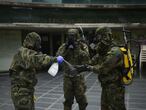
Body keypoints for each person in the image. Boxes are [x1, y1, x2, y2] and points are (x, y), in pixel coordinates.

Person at [9, 32, 63, 110]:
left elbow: (36, 65)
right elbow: (37, 59)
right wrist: (54, 59)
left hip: (26, 90)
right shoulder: (23, 52)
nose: (39, 47)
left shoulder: (25, 52)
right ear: (33, 42)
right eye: (38, 44)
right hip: (21, 92)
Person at [76, 27, 126, 110]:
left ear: (106, 36)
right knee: (104, 107)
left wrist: (88, 68)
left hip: (115, 88)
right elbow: (91, 61)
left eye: (99, 37)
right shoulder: (103, 52)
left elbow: (103, 69)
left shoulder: (115, 51)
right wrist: (82, 66)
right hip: (105, 86)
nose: (97, 40)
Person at [56, 28, 90, 110]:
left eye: (73, 36)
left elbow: (87, 59)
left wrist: (77, 48)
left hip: (79, 77)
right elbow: (58, 57)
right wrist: (66, 48)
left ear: (77, 36)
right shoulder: (64, 46)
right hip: (67, 77)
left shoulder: (82, 46)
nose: (71, 37)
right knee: (68, 101)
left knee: (82, 100)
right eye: (70, 36)